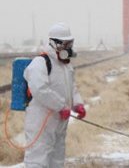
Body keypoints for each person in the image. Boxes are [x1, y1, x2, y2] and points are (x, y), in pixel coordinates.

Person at [23, 23, 86, 168]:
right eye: (65, 44)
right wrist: (61, 106)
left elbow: (71, 87)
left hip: (59, 120)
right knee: (38, 158)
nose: (68, 47)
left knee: (57, 158)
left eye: (70, 43)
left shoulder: (65, 65)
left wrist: (78, 104)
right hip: (41, 120)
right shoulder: (40, 63)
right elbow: (40, 89)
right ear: (54, 43)